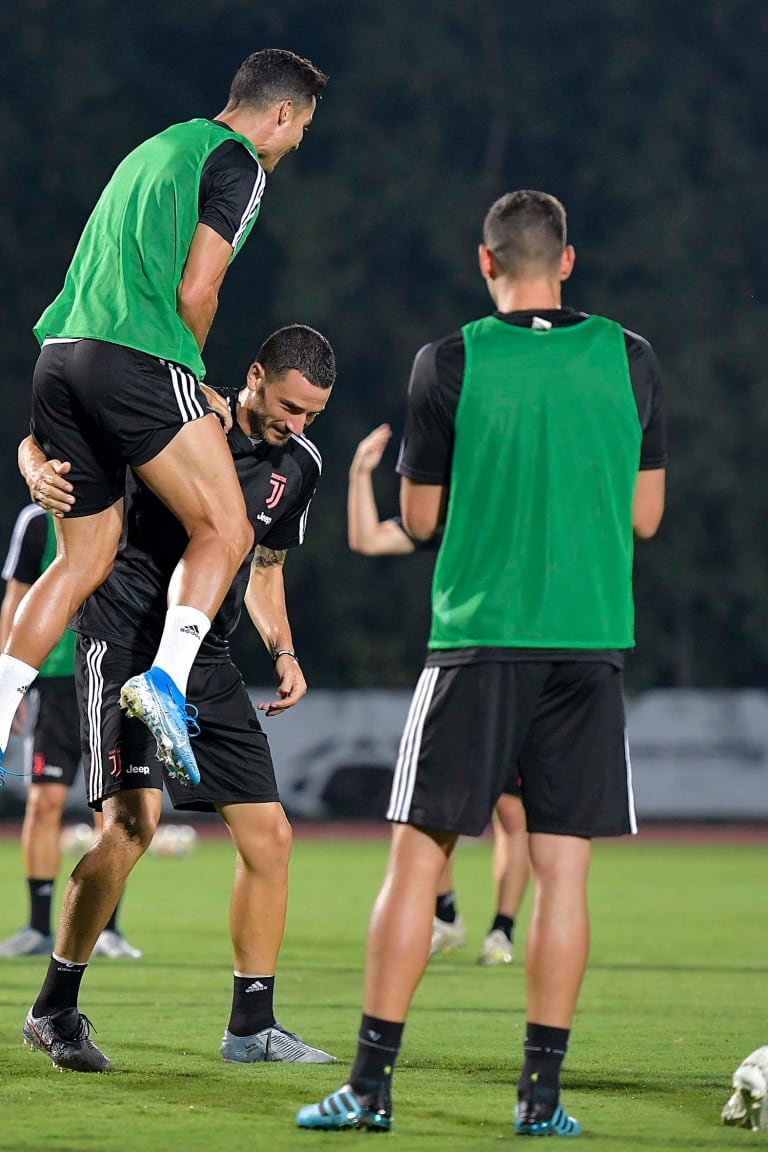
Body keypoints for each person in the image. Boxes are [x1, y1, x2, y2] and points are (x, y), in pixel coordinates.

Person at [297, 189, 666, 1135]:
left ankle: (370, 1089)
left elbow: (418, 523)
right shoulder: (630, 357)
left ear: (486, 262)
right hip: (589, 645)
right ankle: (540, 1102)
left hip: (477, 642)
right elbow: (646, 515)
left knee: (418, 860)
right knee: (563, 874)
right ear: (568, 261)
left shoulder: (450, 359)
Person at [0, 48, 328, 788]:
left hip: (59, 352)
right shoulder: (239, 163)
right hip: (134, 355)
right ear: (281, 112)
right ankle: (166, 684)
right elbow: (197, 288)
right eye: (303, 127)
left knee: (80, 560)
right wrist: (190, 375)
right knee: (229, 527)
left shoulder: (155, 148)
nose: (298, 142)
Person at [20, 324, 338, 1073]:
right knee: (132, 827)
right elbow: (50, 431)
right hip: (123, 639)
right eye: (289, 406)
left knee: (271, 836)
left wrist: (284, 648)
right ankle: (54, 1008)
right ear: (253, 375)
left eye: (313, 415)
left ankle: (252, 1027)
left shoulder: (301, 465)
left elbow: (264, 565)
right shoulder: (176, 413)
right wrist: (35, 471)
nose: (297, 425)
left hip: (211, 661)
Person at [347, 423, 528, 966]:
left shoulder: (516, 510)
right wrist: (359, 473)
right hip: (464, 669)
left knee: (512, 816)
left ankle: (502, 931)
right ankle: (447, 915)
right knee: (429, 810)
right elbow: (367, 539)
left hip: (521, 673)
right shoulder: (447, 515)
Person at [0, 506, 140, 960]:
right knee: (44, 801)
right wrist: (12, 682)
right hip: (57, 682)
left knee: (115, 809)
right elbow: (16, 600)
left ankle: (107, 930)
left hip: (115, 674)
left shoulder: (131, 508)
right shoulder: (38, 521)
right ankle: (40, 927)